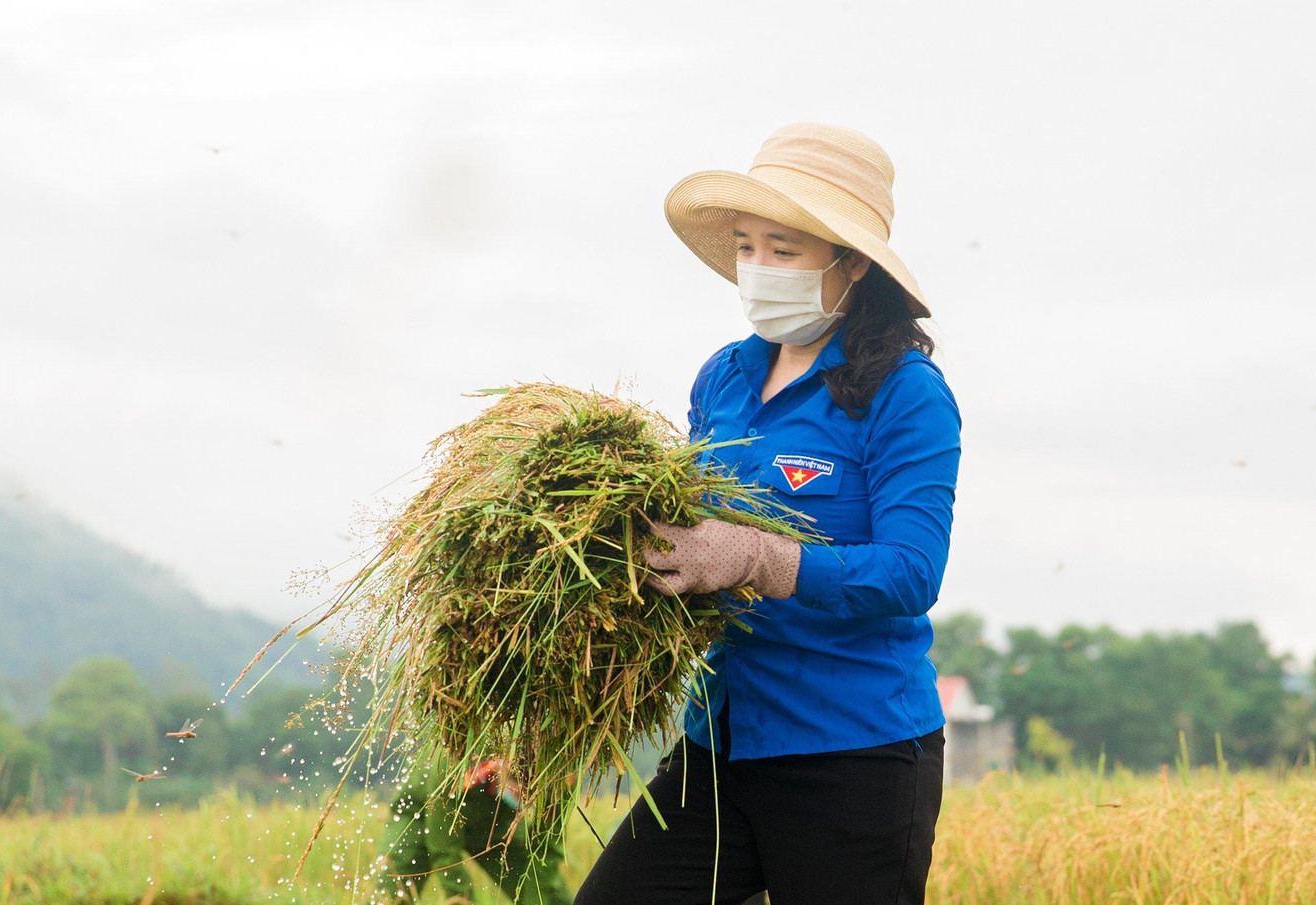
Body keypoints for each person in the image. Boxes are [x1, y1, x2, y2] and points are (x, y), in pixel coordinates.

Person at [574, 123, 961, 905]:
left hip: (851, 754)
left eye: (784, 251)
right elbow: (688, 535)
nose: (758, 268)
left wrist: (760, 557)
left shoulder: (907, 393)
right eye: (748, 246)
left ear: (851, 262)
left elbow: (911, 572)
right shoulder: (723, 376)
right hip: (716, 741)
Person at [387, 756, 573, 903]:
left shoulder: (559, 778)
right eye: (518, 794)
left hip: (492, 823)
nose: (521, 803)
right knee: (394, 889)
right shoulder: (455, 765)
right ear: (503, 768)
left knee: (549, 896)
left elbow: (546, 849)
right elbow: (443, 850)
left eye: (528, 801)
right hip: (423, 813)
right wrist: (461, 900)